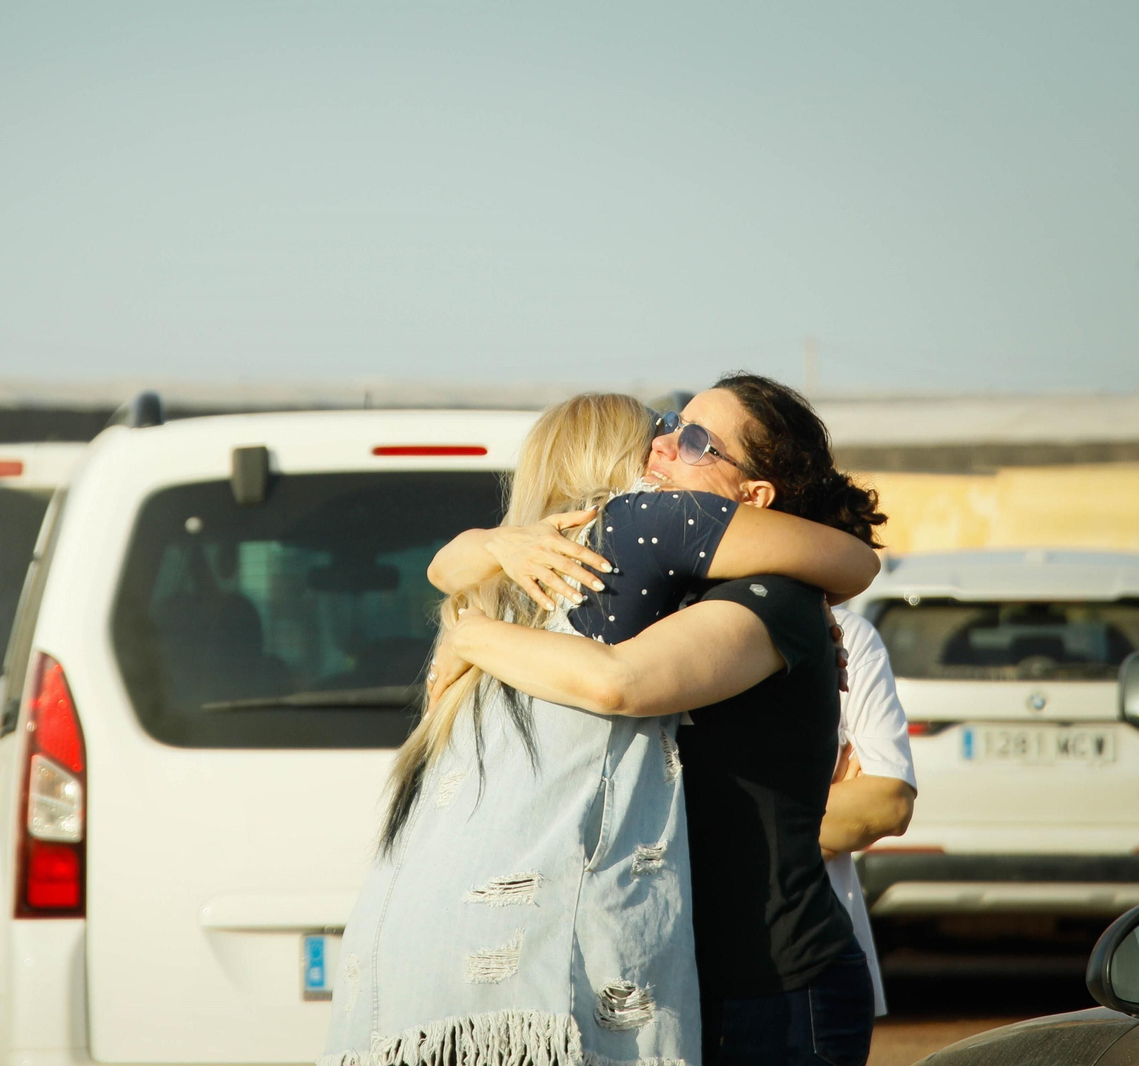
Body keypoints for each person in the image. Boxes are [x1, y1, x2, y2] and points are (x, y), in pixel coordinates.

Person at [322, 390, 880, 1066]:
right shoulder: (651, 583)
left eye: (695, 441)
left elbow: (622, 682)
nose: (663, 445)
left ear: (754, 496)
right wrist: (493, 557)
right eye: (669, 427)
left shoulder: (770, 596)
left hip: (772, 984)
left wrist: (471, 632)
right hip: (692, 972)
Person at [823, 605, 918, 1018]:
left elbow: (887, 803)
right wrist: (828, 803)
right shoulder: (647, 626)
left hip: (816, 969)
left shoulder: (842, 633)